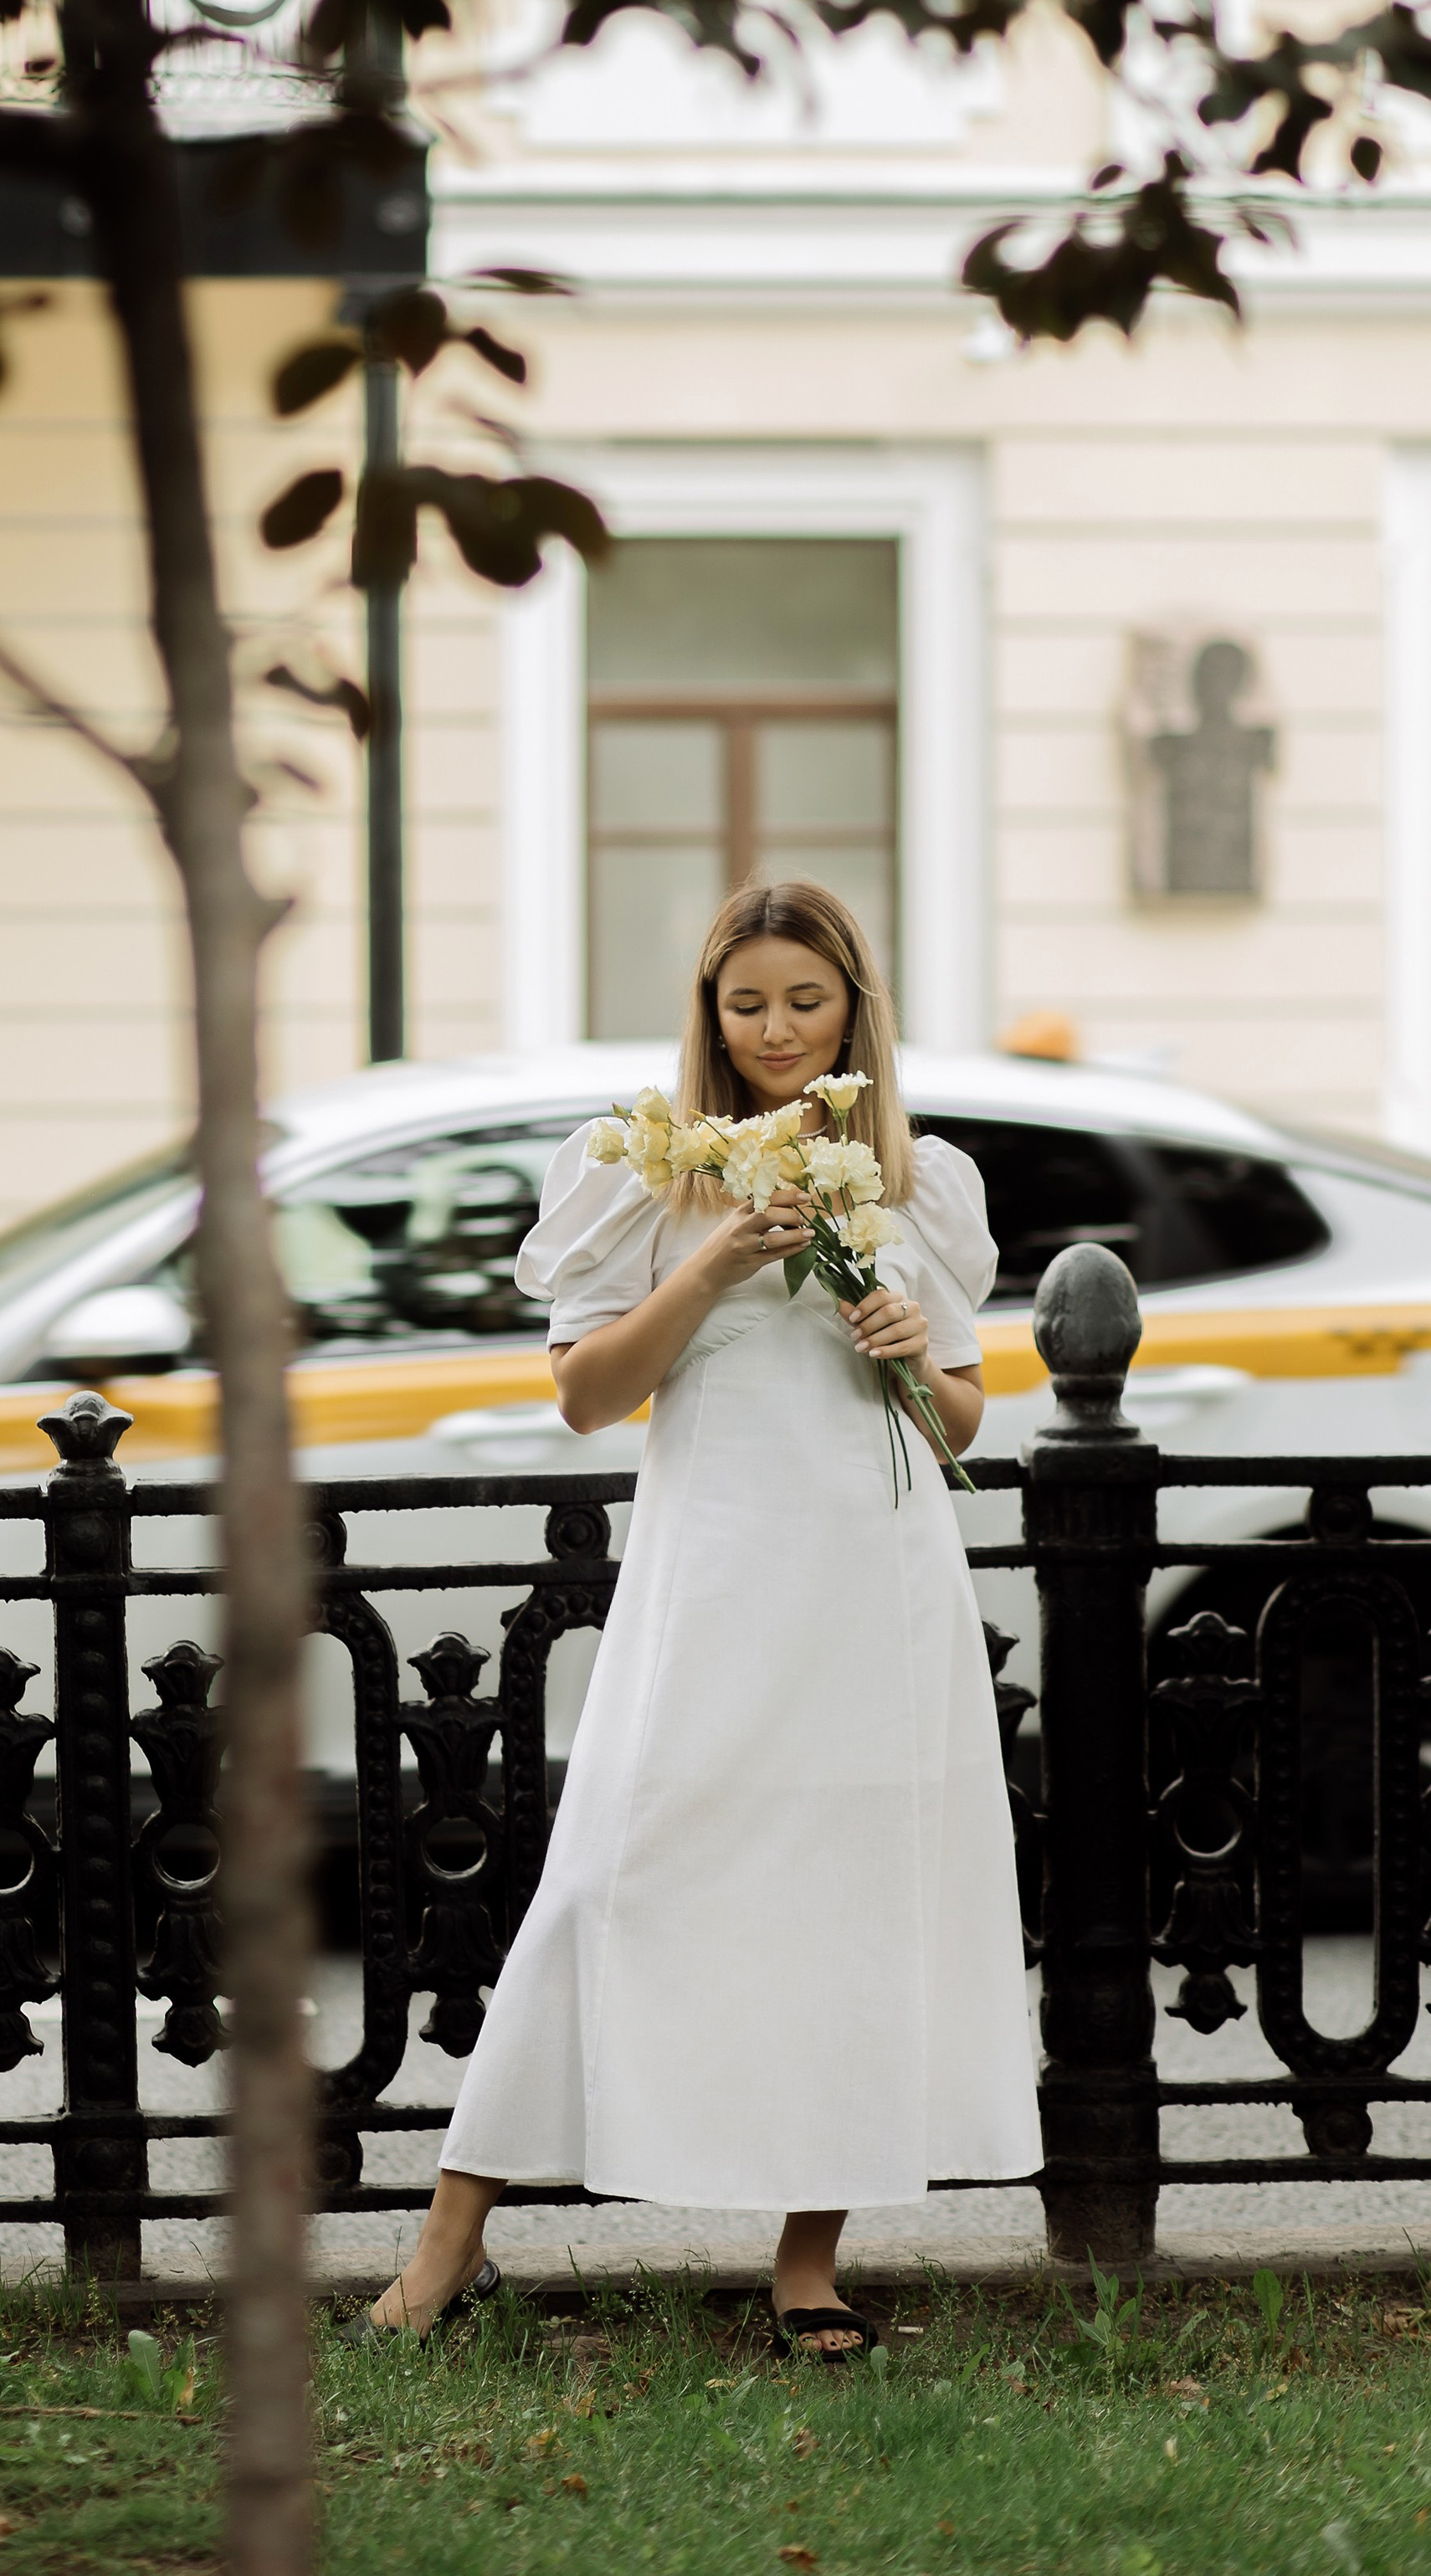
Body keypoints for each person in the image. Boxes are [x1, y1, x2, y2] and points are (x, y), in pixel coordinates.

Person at [347, 879, 1040, 2363]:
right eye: (749, 1004)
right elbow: (589, 1392)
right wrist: (720, 1256)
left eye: (808, 1001)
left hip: (875, 1580)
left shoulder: (924, 1181)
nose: (780, 1031)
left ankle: (809, 2260)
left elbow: (964, 1425)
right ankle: (449, 2241)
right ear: (710, 1014)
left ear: (856, 1006)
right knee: (612, 1880)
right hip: (716, 1577)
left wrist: (918, 1352)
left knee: (856, 1901)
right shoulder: (642, 1168)